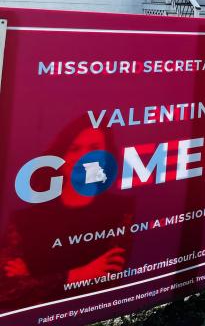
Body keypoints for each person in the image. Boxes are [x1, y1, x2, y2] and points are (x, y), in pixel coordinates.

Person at [0, 117, 134, 312]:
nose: (85, 157)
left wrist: (34, 272)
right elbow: (7, 290)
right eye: (75, 149)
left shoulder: (125, 210)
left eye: (94, 147)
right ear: (60, 157)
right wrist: (77, 275)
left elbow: (109, 281)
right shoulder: (24, 220)